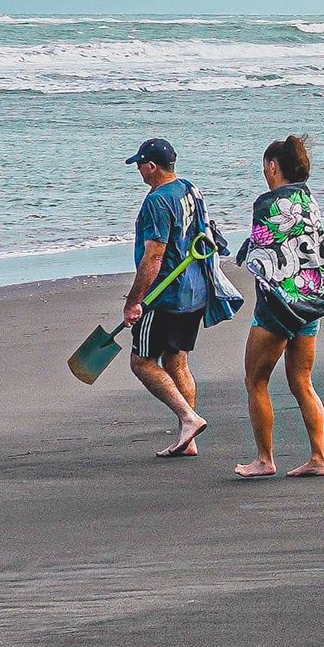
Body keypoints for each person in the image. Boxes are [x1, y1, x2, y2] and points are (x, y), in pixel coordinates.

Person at [233, 134, 324, 479]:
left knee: (255, 380)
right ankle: (319, 457)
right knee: (302, 381)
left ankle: (264, 458)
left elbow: (263, 256)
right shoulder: (310, 200)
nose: (265, 173)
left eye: (265, 167)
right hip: (311, 301)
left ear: (273, 167)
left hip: (277, 307)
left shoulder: (267, 203)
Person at [122, 137, 209, 458]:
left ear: (151, 166)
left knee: (142, 361)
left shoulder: (157, 202)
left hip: (165, 296)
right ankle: (189, 438)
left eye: (140, 166)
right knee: (176, 360)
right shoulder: (189, 189)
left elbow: (154, 257)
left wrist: (134, 301)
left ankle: (188, 418)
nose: (139, 172)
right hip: (194, 291)